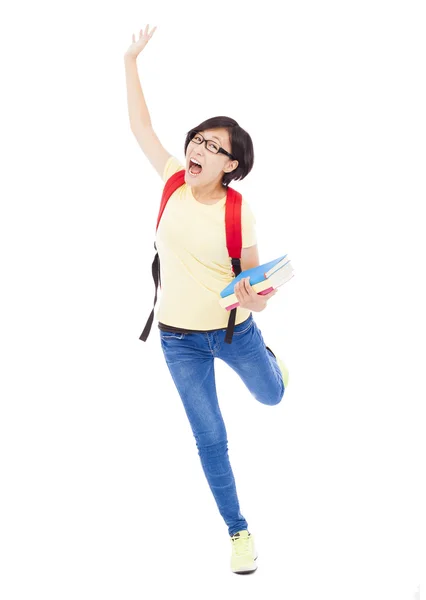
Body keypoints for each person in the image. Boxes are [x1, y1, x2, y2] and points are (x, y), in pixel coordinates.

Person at [124, 24, 290, 575]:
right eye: (198, 138)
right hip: (177, 341)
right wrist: (131, 60)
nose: (198, 148)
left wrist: (251, 296)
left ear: (231, 165)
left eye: (214, 147)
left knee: (272, 398)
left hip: (234, 331)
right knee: (211, 438)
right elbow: (141, 127)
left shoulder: (239, 214)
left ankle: (272, 365)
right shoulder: (173, 178)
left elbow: (260, 297)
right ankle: (238, 532)